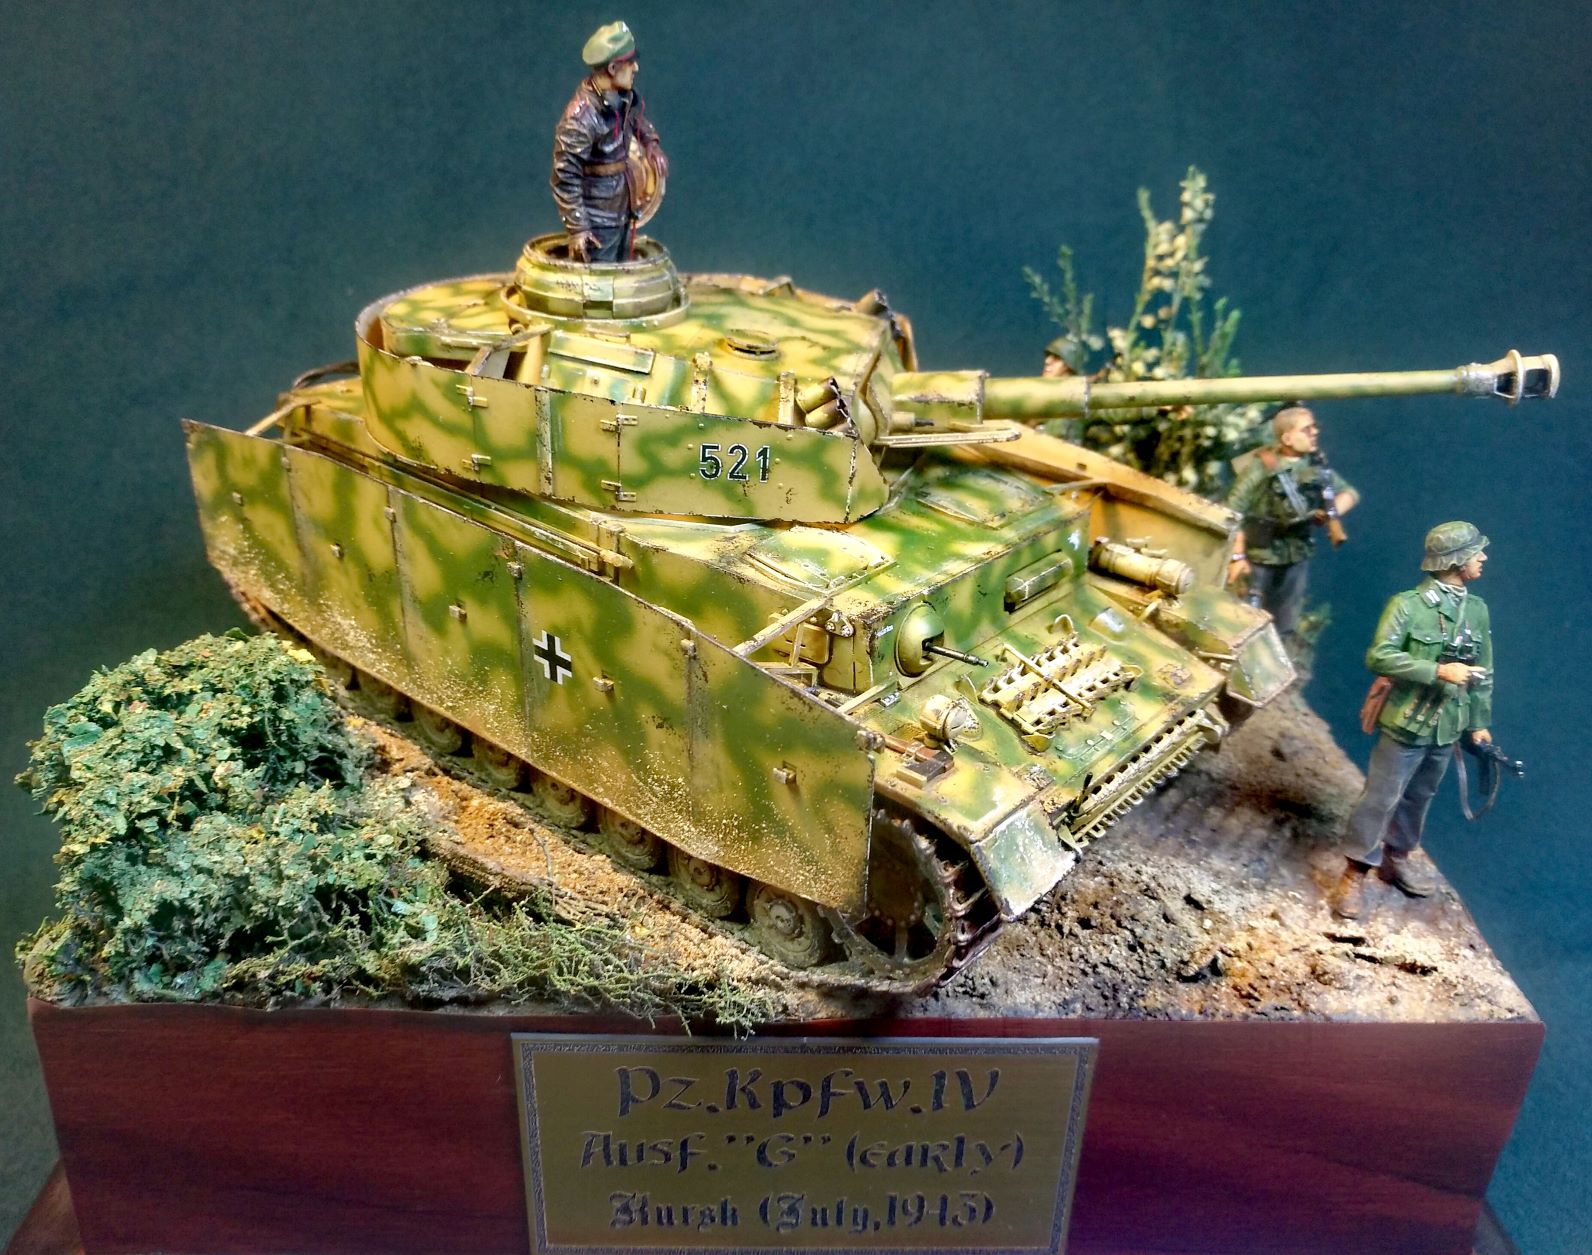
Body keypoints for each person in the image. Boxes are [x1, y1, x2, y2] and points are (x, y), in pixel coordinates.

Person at [1330, 522, 1494, 920]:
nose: (1483, 558)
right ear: (1456, 560)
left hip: (1446, 724)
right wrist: (1437, 671)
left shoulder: (1476, 610)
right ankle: (1355, 872)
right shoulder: (1408, 605)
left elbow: (1484, 672)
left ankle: (1396, 858)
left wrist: (1477, 722)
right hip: (1406, 720)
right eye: (1476, 552)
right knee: (1381, 797)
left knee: (1420, 796)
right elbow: (1380, 656)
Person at [1225, 405, 1358, 641]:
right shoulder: (1262, 467)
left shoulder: (1315, 466)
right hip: (1259, 557)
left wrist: (1329, 513)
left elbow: (1349, 493)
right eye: (1306, 429)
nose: (1315, 432)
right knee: (1244, 621)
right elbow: (1231, 511)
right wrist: (1237, 557)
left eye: (1314, 427)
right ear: (1287, 438)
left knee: (1284, 626)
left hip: (1296, 556)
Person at [550, 21, 668, 263]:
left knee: (623, 273)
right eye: (630, 63)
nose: (636, 68)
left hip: (622, 210)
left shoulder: (620, 98)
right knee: (601, 280)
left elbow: (635, 119)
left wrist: (651, 143)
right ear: (613, 68)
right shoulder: (580, 119)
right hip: (597, 222)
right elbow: (565, 177)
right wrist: (578, 227)